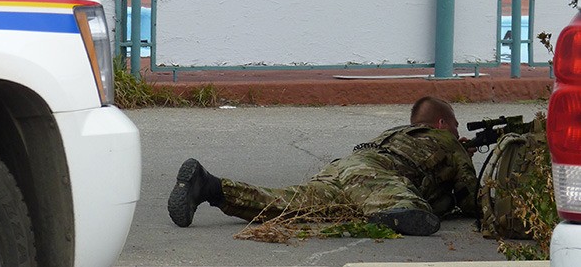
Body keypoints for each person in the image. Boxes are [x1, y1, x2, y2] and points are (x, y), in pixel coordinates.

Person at [167, 96, 477, 236]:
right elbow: (471, 200)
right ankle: (395, 214)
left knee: (287, 204)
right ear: (441, 123)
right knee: (407, 208)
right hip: (376, 175)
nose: (455, 131)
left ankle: (209, 185)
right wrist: (466, 158)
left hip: (344, 170)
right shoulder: (446, 141)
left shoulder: (395, 133)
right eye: (454, 125)